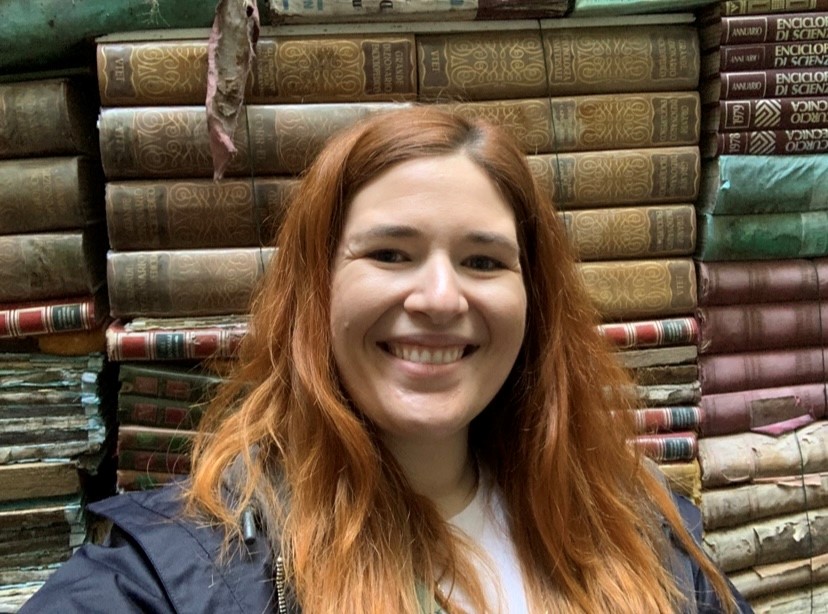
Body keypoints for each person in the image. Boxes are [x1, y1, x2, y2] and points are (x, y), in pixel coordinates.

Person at [21, 107, 751, 613]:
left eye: (483, 260)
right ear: (318, 290)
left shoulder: (646, 529)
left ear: (536, 301)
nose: (439, 297)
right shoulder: (178, 570)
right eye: (390, 254)